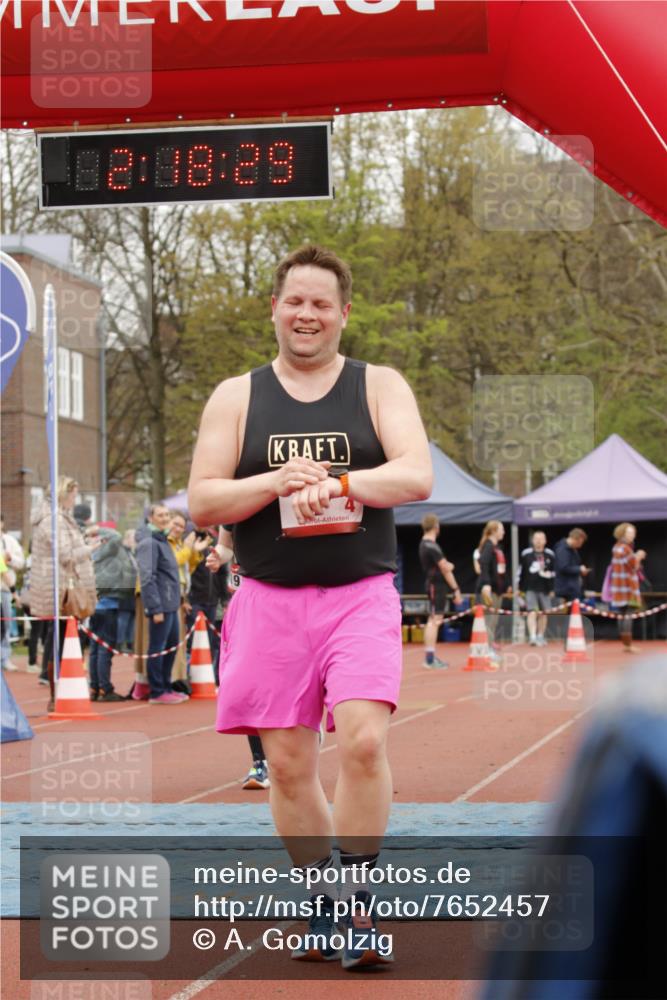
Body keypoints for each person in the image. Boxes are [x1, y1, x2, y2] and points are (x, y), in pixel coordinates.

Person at [188, 244, 432, 969]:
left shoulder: (378, 385)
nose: (307, 314)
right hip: (268, 599)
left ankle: (357, 909)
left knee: (361, 742)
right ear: (274, 308)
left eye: (321, 303)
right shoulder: (237, 395)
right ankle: (322, 906)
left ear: (342, 314)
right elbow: (203, 501)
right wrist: (272, 480)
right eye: (295, 300)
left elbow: (414, 475)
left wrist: (342, 482)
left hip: (358, 594)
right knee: (290, 766)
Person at [29, 477, 97, 712]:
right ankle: (54, 690)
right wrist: (90, 548)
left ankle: (60, 687)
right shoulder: (53, 520)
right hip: (58, 587)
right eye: (73, 494)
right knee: (57, 637)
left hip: (58, 585)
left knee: (59, 636)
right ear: (63, 494)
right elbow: (65, 554)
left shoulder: (57, 518)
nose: (75, 500)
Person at [135, 504, 187, 705]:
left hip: (171, 604)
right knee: (158, 647)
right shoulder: (149, 542)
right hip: (161, 605)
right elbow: (148, 577)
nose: (165, 518)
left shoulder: (162, 540)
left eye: (167, 514)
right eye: (160, 515)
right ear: (150, 518)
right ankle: (157, 691)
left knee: (171, 646)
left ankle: (166, 686)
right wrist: (155, 608)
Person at [88, 523, 133, 701]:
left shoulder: (95, 553)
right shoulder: (108, 548)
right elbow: (116, 536)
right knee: (104, 649)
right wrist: (98, 529)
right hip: (109, 604)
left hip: (98, 604)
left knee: (95, 649)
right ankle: (105, 689)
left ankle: (95, 687)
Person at [418, 514, 462, 669]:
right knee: (434, 620)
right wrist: (456, 589)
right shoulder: (431, 546)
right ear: (436, 527)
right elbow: (445, 568)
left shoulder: (427, 545)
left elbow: (444, 566)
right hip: (436, 585)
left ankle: (430, 657)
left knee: (434, 620)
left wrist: (448, 566)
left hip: (435, 584)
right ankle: (429, 659)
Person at [609, 522, 646, 653]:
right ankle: (628, 645)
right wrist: (639, 556)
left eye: (633, 532)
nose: (632, 535)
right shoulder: (626, 548)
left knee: (621, 614)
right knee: (629, 614)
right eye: (630, 532)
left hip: (618, 587)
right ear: (622, 533)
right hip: (629, 587)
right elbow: (634, 565)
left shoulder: (615, 547)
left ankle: (625, 643)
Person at [475, 520, 507, 656]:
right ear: (494, 531)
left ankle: (490, 647)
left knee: (493, 621)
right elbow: (484, 564)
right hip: (489, 589)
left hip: (497, 589)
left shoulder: (496, 547)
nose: (503, 532)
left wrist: (506, 585)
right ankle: (487, 650)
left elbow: (500, 569)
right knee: (488, 621)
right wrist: (486, 584)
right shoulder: (488, 546)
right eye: (501, 529)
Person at [518, 530, 555, 646]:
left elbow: (554, 573)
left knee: (544, 613)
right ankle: (532, 636)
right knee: (531, 612)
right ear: (532, 541)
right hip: (530, 588)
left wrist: (552, 589)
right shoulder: (526, 554)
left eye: (541, 539)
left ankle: (540, 635)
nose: (538, 541)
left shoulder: (550, 554)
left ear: (545, 541)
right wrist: (519, 588)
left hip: (545, 589)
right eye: (536, 539)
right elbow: (520, 572)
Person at [0, 514, 25, 672]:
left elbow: (18, 564)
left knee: (5, 624)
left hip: (5, 590)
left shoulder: (9, 541)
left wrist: (10, 560)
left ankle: (4, 656)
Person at [553, 527, 590, 603]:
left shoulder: (572, 549)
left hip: (572, 588)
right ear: (575, 539)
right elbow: (563, 567)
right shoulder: (562, 549)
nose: (580, 545)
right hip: (565, 589)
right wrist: (579, 569)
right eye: (580, 542)